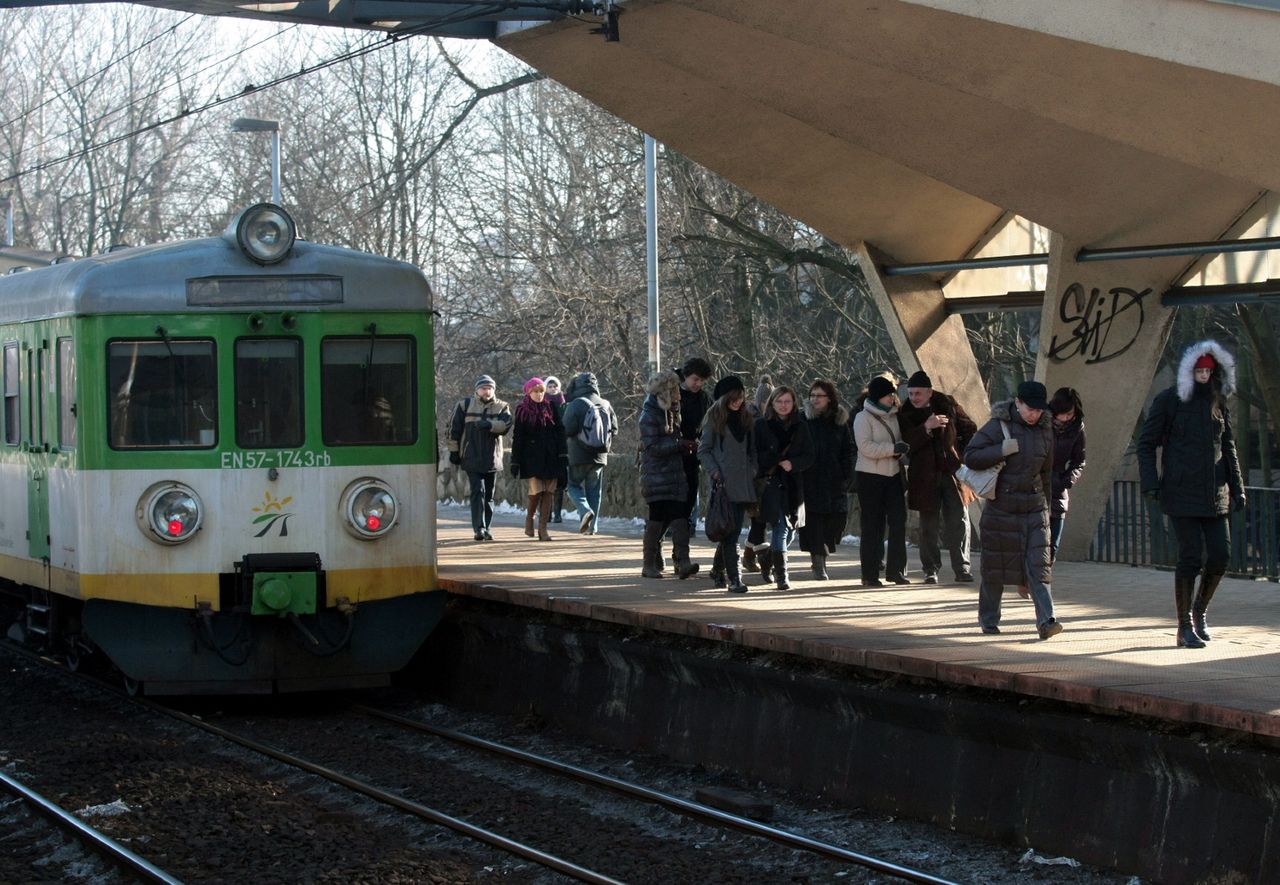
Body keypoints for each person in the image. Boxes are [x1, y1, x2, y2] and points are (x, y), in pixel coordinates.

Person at [1136, 340, 1244, 649]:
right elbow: (1147, 444)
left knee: (1221, 556)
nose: (1204, 376)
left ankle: (1200, 610)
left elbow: (1228, 447)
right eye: (1199, 371)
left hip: (1215, 493)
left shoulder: (1218, 402)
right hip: (1181, 492)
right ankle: (1184, 626)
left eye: (1209, 371)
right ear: (1188, 371)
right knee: (1190, 557)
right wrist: (1151, 483)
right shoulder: (1169, 400)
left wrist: (1238, 487)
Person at [965, 380, 1063, 639]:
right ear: (1017, 403)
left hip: (1034, 508)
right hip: (1001, 509)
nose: (1035, 414)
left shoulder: (1045, 431)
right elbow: (971, 456)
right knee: (995, 569)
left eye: (1039, 410)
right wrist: (1000, 451)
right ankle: (989, 621)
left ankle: (1047, 621)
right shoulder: (998, 426)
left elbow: (1046, 473)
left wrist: (1048, 510)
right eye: (1030, 409)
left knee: (1038, 568)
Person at [898, 370, 978, 584]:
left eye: (918, 393)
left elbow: (970, 428)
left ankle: (962, 568)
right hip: (924, 476)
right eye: (911, 393)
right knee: (928, 526)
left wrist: (961, 454)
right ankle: (930, 569)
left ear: (929, 392)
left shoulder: (948, 405)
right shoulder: (904, 413)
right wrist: (925, 428)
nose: (914, 398)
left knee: (959, 521)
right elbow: (905, 445)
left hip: (952, 473)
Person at [699, 375, 758, 593]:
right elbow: (703, 450)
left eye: (740, 397)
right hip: (723, 485)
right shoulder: (714, 419)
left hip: (744, 484)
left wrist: (753, 469)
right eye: (733, 398)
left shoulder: (747, 418)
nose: (738, 402)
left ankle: (718, 570)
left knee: (730, 531)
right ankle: (735, 579)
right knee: (731, 534)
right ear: (724, 398)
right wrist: (715, 472)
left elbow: (752, 450)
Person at [639, 370, 699, 579]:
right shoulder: (649, 415)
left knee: (681, 515)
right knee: (657, 517)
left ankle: (683, 561)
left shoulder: (673, 412)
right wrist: (679, 444)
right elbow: (652, 446)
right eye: (674, 390)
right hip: (657, 475)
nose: (679, 394)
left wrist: (683, 445)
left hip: (675, 473)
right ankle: (648, 564)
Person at [853, 374, 911, 587]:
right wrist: (893, 449)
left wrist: (900, 450)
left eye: (892, 395)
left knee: (898, 522)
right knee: (872, 526)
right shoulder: (863, 418)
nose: (892, 398)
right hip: (870, 477)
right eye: (888, 395)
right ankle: (869, 574)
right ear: (878, 397)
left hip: (893, 476)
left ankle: (896, 571)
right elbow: (865, 447)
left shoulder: (895, 416)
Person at [754, 386, 814, 590]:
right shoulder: (761, 426)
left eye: (787, 401)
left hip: (793, 485)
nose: (783, 405)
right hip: (771, 483)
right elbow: (754, 455)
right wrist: (773, 459)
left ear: (793, 403)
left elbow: (810, 455)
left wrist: (793, 464)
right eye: (779, 401)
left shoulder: (801, 426)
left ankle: (768, 559)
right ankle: (782, 576)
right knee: (780, 528)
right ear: (772, 403)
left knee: (790, 532)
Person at [798, 379, 855, 580]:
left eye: (819, 396)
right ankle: (818, 562)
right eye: (812, 395)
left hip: (833, 480)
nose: (815, 400)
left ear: (829, 398)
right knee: (814, 523)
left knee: (834, 521)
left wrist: (845, 475)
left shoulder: (839, 421)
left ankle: (823, 551)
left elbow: (848, 450)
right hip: (810, 480)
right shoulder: (803, 419)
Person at [448, 375, 512, 541]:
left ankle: (487, 527)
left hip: (492, 458)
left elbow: (506, 425)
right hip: (471, 457)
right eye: (484, 388)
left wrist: (489, 425)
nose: (487, 391)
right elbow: (453, 429)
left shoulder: (502, 406)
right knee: (478, 492)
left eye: (490, 388)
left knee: (489, 495)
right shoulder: (465, 405)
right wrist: (454, 451)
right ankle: (478, 528)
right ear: (477, 390)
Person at [561, 371, 618, 534]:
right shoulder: (606, 404)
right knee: (594, 490)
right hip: (600, 456)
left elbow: (567, 429)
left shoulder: (576, 404)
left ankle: (584, 510)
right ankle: (592, 527)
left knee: (572, 485)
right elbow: (614, 429)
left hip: (577, 455)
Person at [510, 377, 566, 542]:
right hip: (532, 457)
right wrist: (515, 461)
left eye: (542, 391)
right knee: (536, 491)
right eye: (536, 391)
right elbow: (518, 437)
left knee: (549, 491)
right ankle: (530, 518)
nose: (539, 394)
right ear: (528, 392)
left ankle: (543, 529)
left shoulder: (551, 407)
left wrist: (563, 453)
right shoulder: (522, 410)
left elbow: (560, 431)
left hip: (551, 456)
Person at [1048, 387, 1087, 562]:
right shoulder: (1040, 424)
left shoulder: (1077, 428)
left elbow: (1079, 460)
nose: (1066, 418)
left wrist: (1067, 480)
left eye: (1069, 413)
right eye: (1062, 413)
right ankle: (1033, 581)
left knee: (1053, 545)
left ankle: (1043, 579)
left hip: (1058, 486)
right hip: (1034, 485)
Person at [676, 357, 714, 534]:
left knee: (691, 494)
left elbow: (708, 423)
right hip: (673, 453)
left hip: (693, 454)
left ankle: (685, 530)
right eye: (695, 379)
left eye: (702, 380)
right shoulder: (671, 394)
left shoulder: (704, 398)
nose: (698, 384)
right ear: (686, 376)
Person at [742, 375, 774, 575]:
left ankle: (749, 555)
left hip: (765, 477)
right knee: (758, 520)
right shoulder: (751, 421)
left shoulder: (769, 420)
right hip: (753, 477)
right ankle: (761, 560)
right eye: (765, 402)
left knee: (759, 520)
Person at [544, 375, 568, 523]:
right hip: (547, 446)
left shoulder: (565, 404)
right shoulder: (543, 403)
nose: (553, 389)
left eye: (555, 386)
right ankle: (547, 513)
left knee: (560, 481)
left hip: (562, 446)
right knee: (547, 481)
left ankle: (557, 514)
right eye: (550, 386)